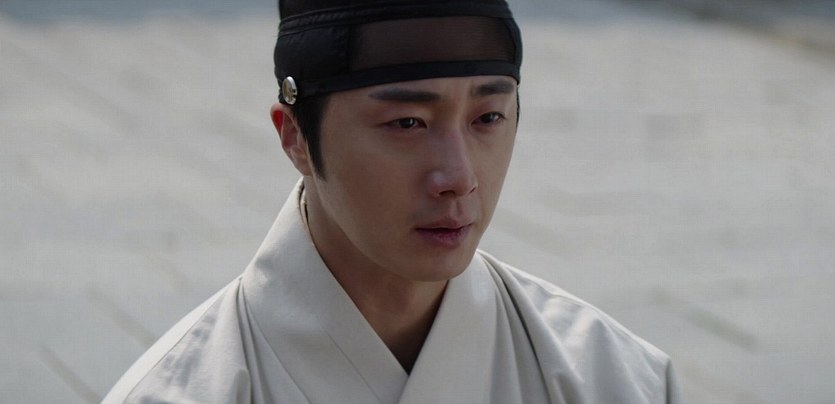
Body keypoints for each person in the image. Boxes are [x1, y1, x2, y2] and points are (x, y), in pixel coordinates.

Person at [104, 0, 682, 402]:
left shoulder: (613, 380)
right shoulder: (183, 391)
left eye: (488, 118)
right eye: (407, 122)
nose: (458, 178)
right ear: (295, 136)